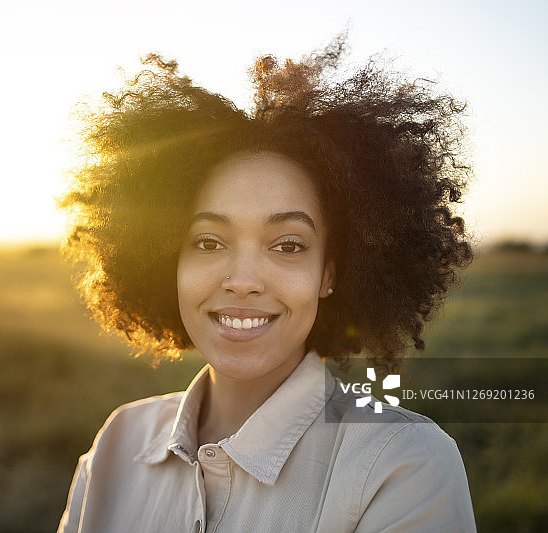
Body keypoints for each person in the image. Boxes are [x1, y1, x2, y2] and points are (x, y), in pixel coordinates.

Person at [57, 37, 476, 533]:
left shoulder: (404, 464)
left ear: (330, 273)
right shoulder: (117, 443)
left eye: (288, 245)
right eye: (209, 242)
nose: (243, 282)